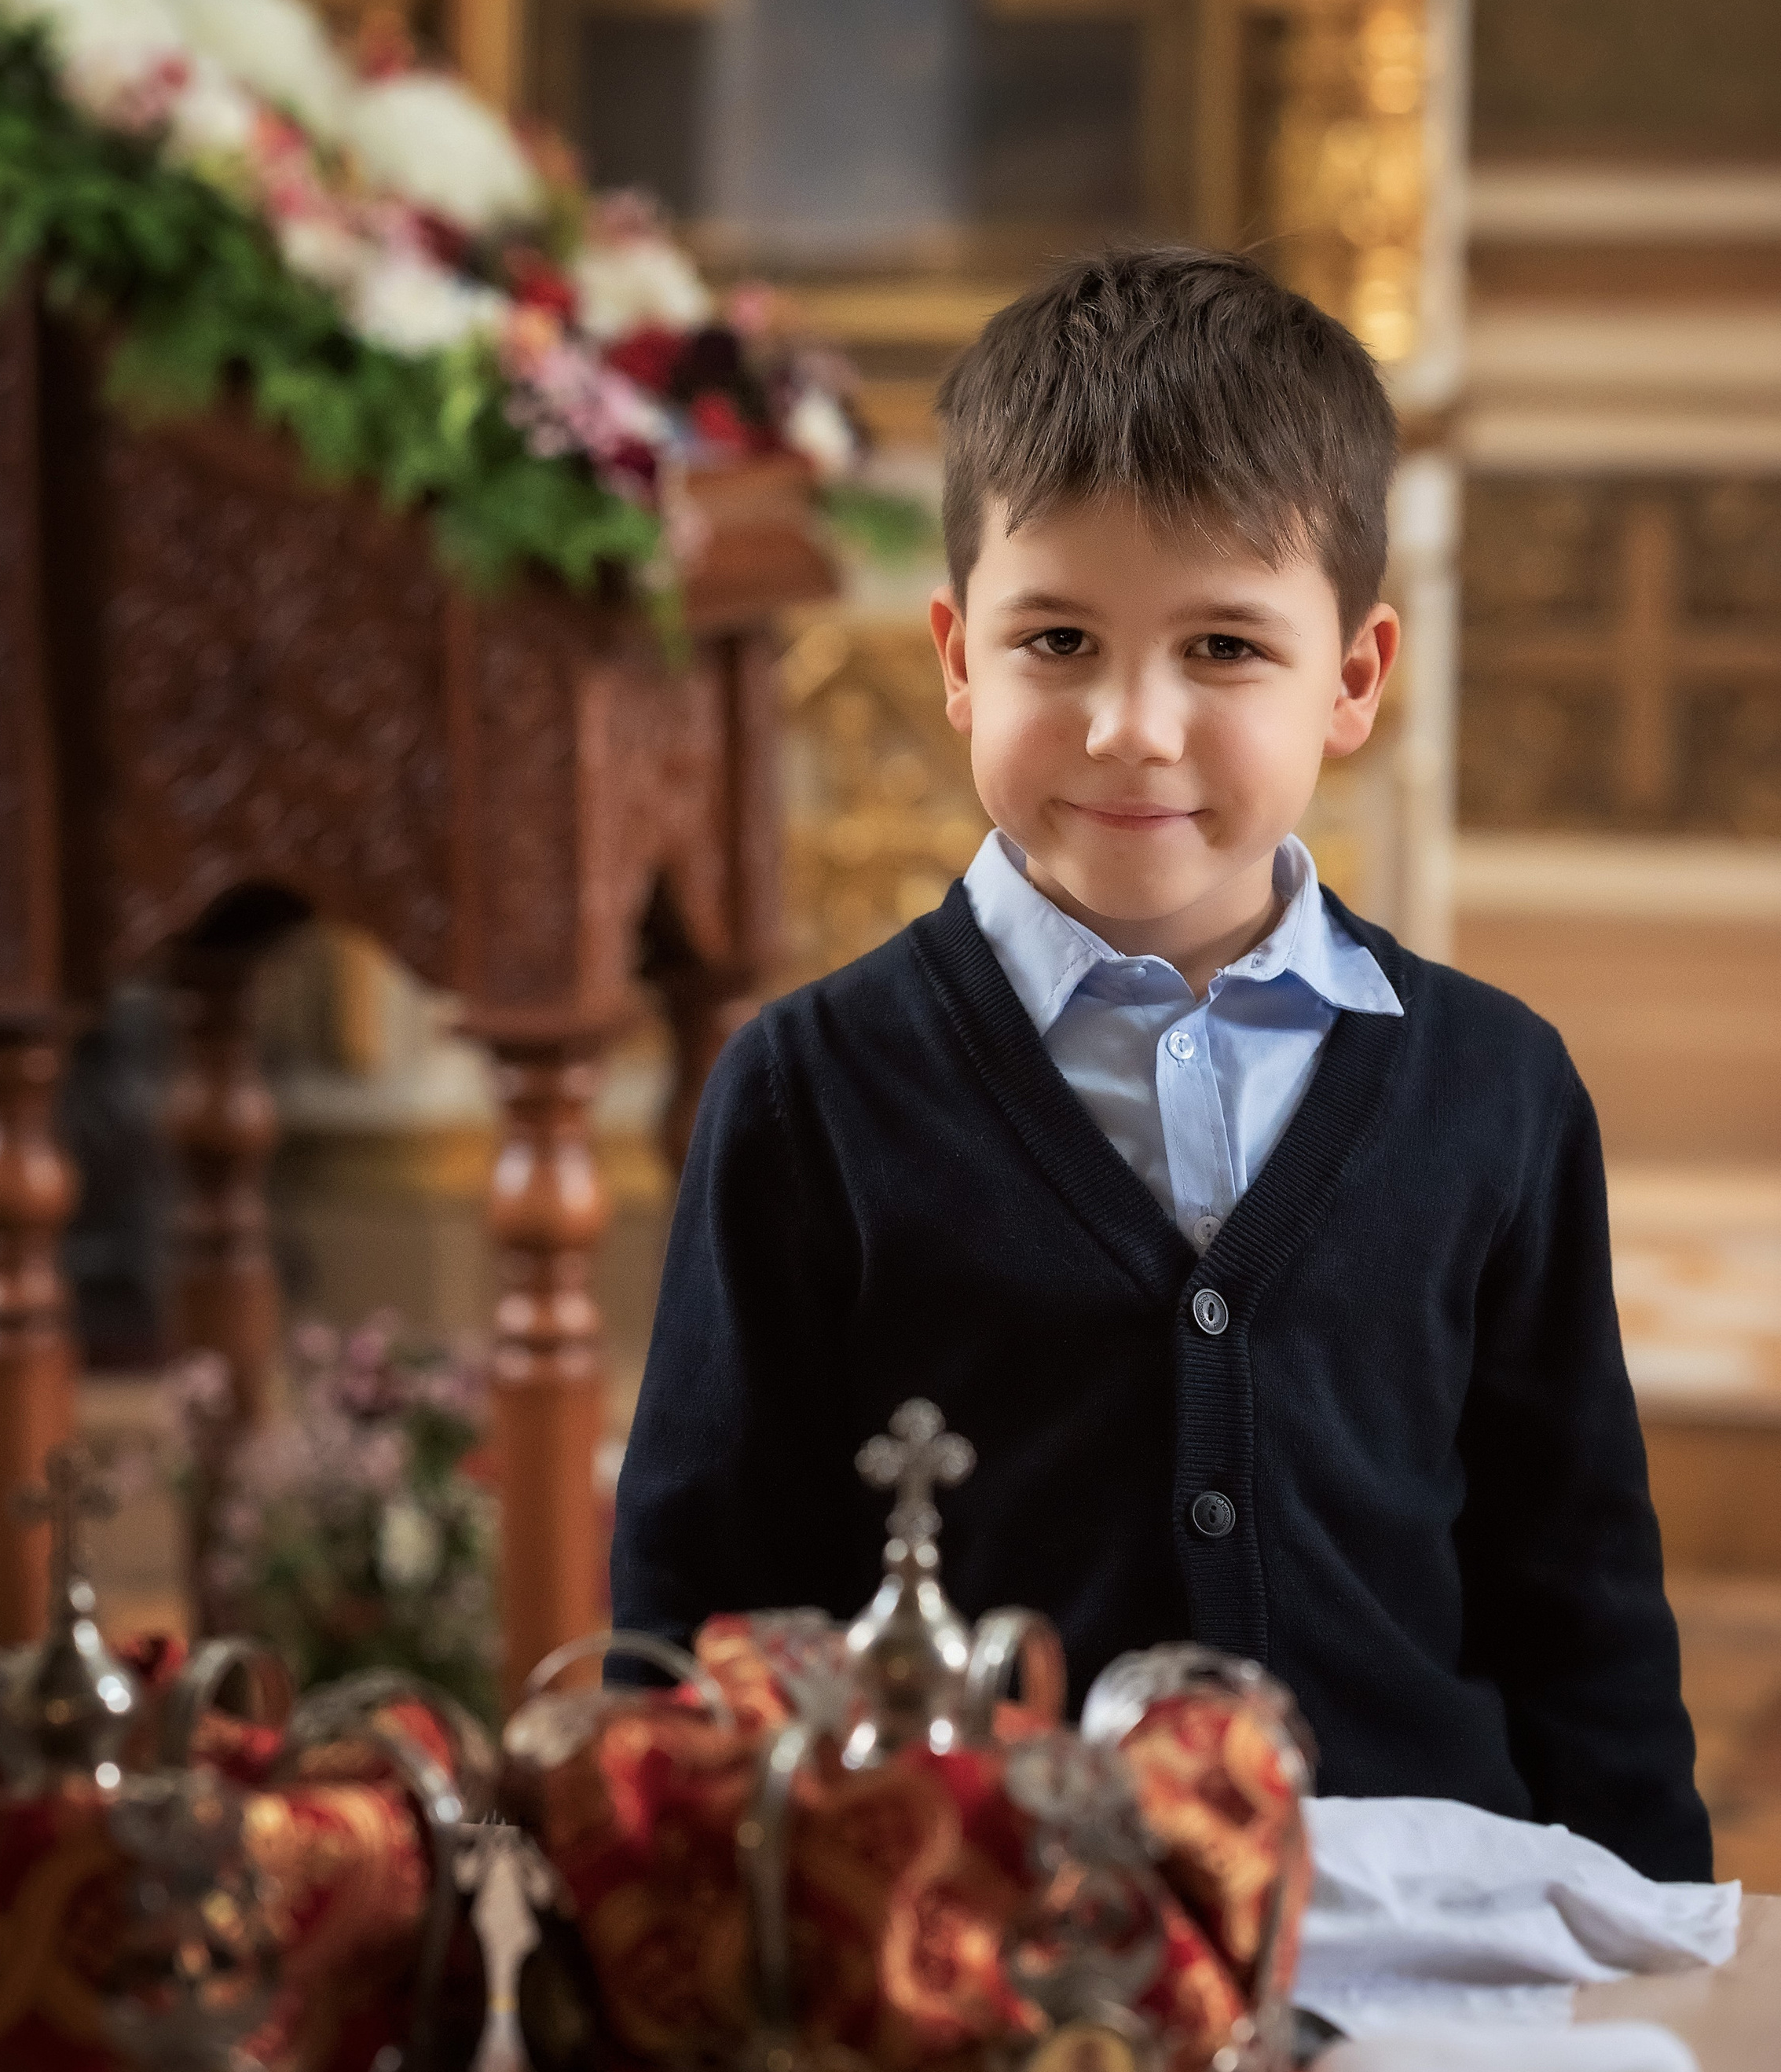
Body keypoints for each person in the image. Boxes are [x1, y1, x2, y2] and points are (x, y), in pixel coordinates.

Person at [612, 248, 1710, 1881]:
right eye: (1056, 638)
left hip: (1422, 1925)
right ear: (954, 657)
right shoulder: (804, 1091)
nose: (1132, 723)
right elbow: (700, 1604)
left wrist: (1651, 1950)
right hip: (970, 1945)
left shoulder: (1497, 1090)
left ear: (1352, 677)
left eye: (1220, 648)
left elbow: (1579, 1601)